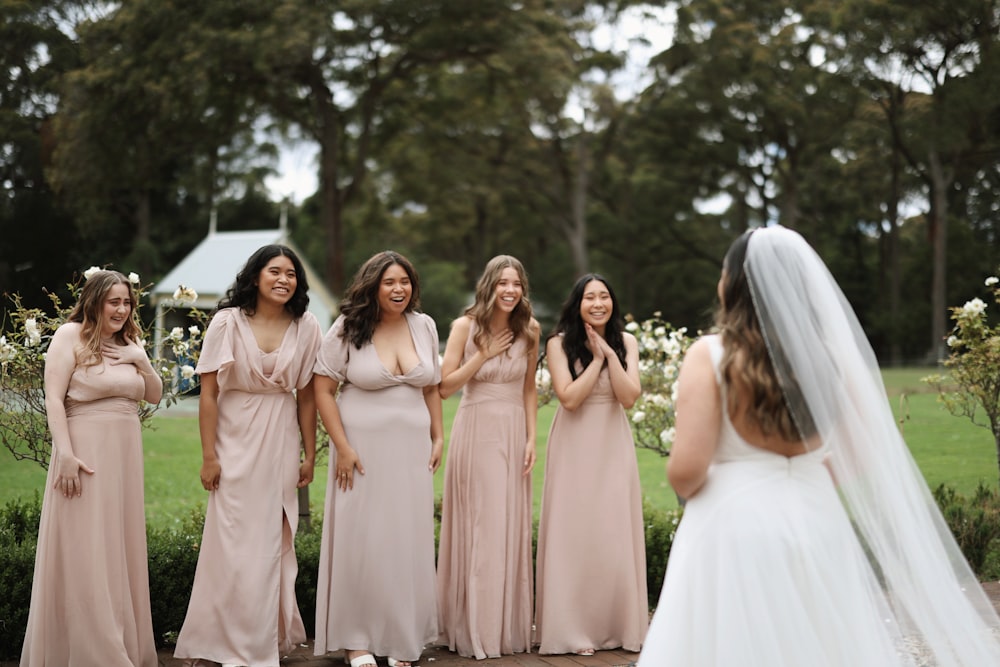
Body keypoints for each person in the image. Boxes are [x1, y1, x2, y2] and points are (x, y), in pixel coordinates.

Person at [639, 226, 1000, 666]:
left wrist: (740, 477)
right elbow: (862, 450)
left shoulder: (710, 354)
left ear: (735, 284)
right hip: (817, 519)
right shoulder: (830, 356)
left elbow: (686, 471)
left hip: (734, 528)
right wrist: (803, 476)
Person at [174, 245, 322, 667]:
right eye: (274, 271)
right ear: (256, 276)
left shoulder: (307, 324)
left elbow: (308, 397)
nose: (283, 279)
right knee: (230, 542)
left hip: (279, 438)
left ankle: (260, 643)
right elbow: (208, 394)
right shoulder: (226, 321)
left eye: (291, 273)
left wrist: (310, 454)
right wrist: (209, 456)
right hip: (233, 439)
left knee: (270, 541)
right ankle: (215, 641)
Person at [20, 269, 163, 667]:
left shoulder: (130, 341)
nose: (121, 309)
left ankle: (123, 642)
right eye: (113, 301)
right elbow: (52, 398)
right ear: (94, 301)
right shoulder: (71, 336)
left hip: (124, 457)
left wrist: (141, 359)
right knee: (86, 546)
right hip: (84, 452)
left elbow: (153, 395)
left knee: (119, 546)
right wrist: (64, 452)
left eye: (127, 302)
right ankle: (92, 652)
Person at [313, 250, 444, 667]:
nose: (398, 289)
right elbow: (321, 390)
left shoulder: (423, 326)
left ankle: (400, 637)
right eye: (389, 282)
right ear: (372, 285)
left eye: (404, 281)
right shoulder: (349, 327)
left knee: (405, 540)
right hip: (362, 453)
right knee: (362, 540)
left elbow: (431, 388)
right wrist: (344, 447)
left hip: (411, 453)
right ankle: (358, 640)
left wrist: (439, 435)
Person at [534, 273, 648, 655]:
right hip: (574, 444)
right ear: (577, 304)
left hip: (613, 443)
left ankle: (616, 626)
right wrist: (596, 360)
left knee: (612, 531)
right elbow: (568, 398)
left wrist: (612, 354)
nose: (598, 304)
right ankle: (573, 629)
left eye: (604, 297)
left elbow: (629, 397)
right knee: (575, 532)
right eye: (589, 298)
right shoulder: (558, 343)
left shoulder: (627, 342)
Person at [436, 255, 540, 659]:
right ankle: (472, 627)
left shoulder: (530, 329)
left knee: (506, 524)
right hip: (476, 428)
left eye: (516, 284)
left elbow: (529, 388)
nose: (510, 291)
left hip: (513, 431)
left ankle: (502, 628)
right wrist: (482, 354)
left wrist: (532, 437)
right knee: (483, 523)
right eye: (503, 283)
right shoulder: (465, 327)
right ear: (489, 286)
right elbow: (444, 386)